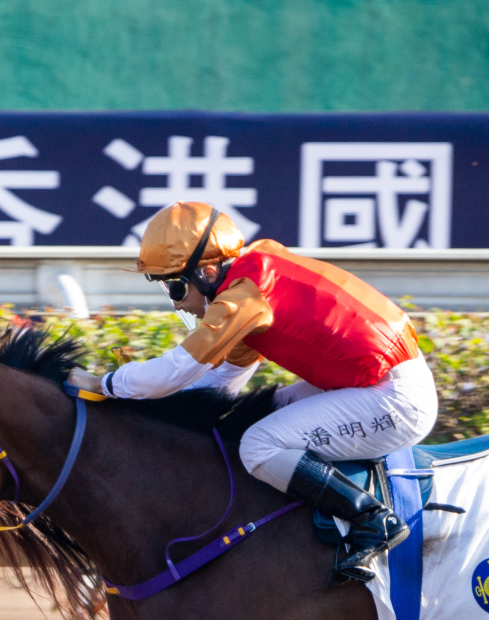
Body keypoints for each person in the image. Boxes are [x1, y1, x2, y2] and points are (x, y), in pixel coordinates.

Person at [65, 202, 438, 583]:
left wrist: (104, 384)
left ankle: (372, 519)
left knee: (258, 446)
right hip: (375, 385)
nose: (176, 302)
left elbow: (179, 368)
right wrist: (157, 407)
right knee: (256, 418)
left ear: (208, 272)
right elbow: (222, 382)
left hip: (395, 400)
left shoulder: (244, 296)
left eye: (175, 286)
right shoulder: (254, 276)